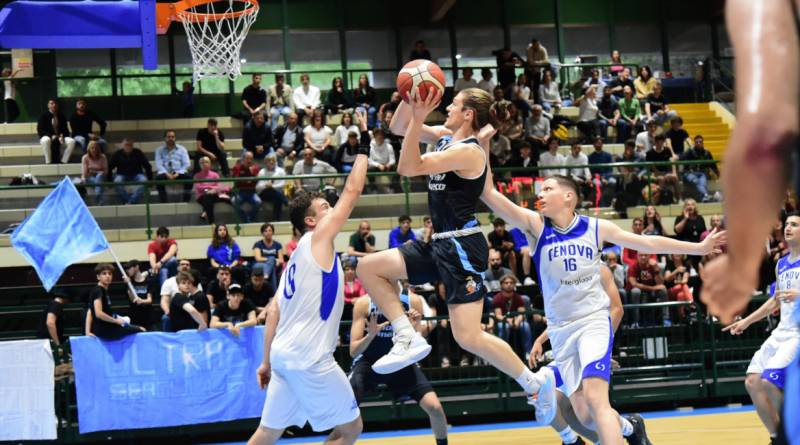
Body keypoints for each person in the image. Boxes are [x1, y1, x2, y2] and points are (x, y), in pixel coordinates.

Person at [479, 168, 724, 444]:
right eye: (540, 190)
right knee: (584, 415)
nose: (540, 194)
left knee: (597, 400)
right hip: (561, 332)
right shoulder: (536, 227)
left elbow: (647, 241)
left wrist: (699, 248)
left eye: (548, 189)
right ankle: (631, 427)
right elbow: (488, 193)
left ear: (568, 197)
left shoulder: (595, 228)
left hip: (593, 322)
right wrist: (481, 144)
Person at [356, 87, 556, 420]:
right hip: (439, 241)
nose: (447, 106)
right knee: (368, 267)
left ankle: (534, 383)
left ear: (468, 115)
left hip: (462, 246)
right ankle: (407, 335)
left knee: (469, 336)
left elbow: (407, 167)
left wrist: (420, 115)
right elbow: (399, 128)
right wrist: (410, 95)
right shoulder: (447, 136)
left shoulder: (470, 152)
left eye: (454, 104)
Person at [247, 124, 370, 445]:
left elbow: (272, 311)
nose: (331, 209)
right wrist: (364, 150)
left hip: (283, 357)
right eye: (324, 208)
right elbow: (353, 192)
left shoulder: (294, 261)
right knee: (352, 429)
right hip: (309, 358)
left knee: (268, 432)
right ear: (311, 222)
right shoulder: (318, 239)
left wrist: (266, 361)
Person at [723, 215, 800, 445]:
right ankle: (777, 438)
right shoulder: (781, 263)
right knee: (753, 381)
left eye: (794, 225)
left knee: (769, 381)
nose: (788, 227)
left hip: (797, 334)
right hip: (781, 332)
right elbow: (775, 300)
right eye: (786, 224)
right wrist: (745, 321)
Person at [348, 290, 449, 445]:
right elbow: (354, 351)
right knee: (345, 409)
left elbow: (416, 343)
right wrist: (370, 335)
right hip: (369, 363)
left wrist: (415, 327)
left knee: (435, 408)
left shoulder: (412, 301)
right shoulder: (364, 304)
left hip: (401, 362)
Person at [88, 263, 145, 339]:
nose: (107, 276)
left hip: (108, 326)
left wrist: (87, 331)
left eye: (110, 274)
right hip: (105, 330)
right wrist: (115, 321)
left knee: (128, 321)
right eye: (104, 274)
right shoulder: (98, 290)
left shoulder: (103, 290)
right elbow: (98, 314)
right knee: (141, 329)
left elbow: (90, 311)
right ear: (98, 277)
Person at [492, 274, 534, 357]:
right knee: (504, 327)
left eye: (511, 283)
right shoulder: (497, 298)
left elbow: (521, 314)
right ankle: (502, 353)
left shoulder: (518, 298)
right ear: (501, 285)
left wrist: (517, 321)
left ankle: (528, 353)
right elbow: (498, 316)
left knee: (525, 326)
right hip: (503, 321)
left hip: (516, 321)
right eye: (506, 283)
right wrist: (508, 321)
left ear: (514, 284)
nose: (509, 285)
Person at [628, 252, 669, 327]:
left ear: (649, 256)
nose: (643, 257)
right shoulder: (633, 266)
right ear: (637, 256)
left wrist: (656, 271)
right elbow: (634, 283)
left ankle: (665, 319)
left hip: (653, 290)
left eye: (645, 255)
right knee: (635, 291)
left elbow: (660, 283)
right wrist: (652, 288)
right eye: (641, 255)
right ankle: (635, 321)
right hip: (641, 290)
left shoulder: (655, 265)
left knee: (663, 290)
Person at [108, 139, 152, 204]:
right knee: (117, 182)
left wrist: (150, 179)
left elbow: (147, 165)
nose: (128, 146)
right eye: (126, 145)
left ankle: (130, 202)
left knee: (144, 181)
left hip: (137, 174)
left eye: (130, 145)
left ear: (132, 146)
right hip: (121, 174)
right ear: (122, 146)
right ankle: (129, 201)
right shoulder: (117, 154)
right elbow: (110, 167)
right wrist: (109, 180)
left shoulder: (138, 152)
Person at [159, 259, 200, 330]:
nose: (185, 266)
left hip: (191, 309)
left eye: (187, 265)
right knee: (166, 318)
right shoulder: (169, 281)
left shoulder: (195, 282)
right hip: (174, 311)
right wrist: (167, 311)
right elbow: (164, 300)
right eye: (182, 264)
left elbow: (198, 297)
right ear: (177, 267)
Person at [155, 130, 192, 203]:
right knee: (158, 179)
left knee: (189, 178)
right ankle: (164, 203)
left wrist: (178, 173)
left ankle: (185, 201)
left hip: (178, 172)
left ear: (175, 138)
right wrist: (166, 173)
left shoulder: (182, 149)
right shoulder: (159, 150)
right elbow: (159, 164)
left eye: (172, 137)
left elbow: (187, 164)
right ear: (165, 138)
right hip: (165, 173)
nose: (171, 138)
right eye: (168, 137)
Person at [681, 134, 720, 202]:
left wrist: (717, 173)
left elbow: (712, 165)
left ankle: (703, 198)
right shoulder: (690, 151)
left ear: (703, 143)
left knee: (702, 182)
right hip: (690, 173)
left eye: (700, 142)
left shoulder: (707, 152)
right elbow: (681, 158)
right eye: (697, 142)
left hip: (702, 174)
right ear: (694, 143)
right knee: (696, 181)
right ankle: (706, 195)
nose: (698, 143)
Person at [193, 156, 231, 224]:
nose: (204, 164)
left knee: (211, 198)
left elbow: (219, 186)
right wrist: (210, 189)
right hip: (202, 196)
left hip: (214, 194)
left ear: (210, 164)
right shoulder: (197, 176)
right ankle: (211, 221)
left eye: (206, 162)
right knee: (208, 197)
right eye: (202, 163)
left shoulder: (215, 175)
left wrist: (213, 190)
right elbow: (199, 188)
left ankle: (206, 213)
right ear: (199, 165)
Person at [37, 99, 75, 164]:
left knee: (72, 141)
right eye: (51, 103)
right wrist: (51, 136)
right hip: (47, 136)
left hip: (60, 136)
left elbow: (66, 130)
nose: (54, 105)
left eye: (55, 104)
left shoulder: (62, 116)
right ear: (48, 105)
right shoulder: (43, 116)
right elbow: (40, 129)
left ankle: (64, 161)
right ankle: (48, 161)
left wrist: (62, 136)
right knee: (45, 140)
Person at [123, 260, 157, 329]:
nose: (127, 271)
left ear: (136, 267)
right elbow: (132, 299)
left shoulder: (148, 281)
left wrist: (142, 301)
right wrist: (129, 285)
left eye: (129, 268)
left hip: (147, 316)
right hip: (134, 316)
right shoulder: (129, 282)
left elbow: (150, 300)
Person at [232, 151, 262, 223]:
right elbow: (235, 181)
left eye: (251, 159)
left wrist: (253, 174)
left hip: (252, 192)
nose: (249, 161)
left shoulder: (255, 168)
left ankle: (250, 218)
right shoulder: (237, 167)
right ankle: (245, 219)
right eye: (247, 158)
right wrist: (245, 180)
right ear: (243, 159)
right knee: (234, 201)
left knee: (258, 202)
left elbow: (258, 181)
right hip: (240, 192)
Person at [256, 155, 288, 221]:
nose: (271, 162)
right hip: (265, 193)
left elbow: (283, 184)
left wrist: (272, 186)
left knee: (277, 197)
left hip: (277, 193)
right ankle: (284, 201)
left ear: (275, 161)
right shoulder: (262, 172)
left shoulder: (281, 171)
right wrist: (266, 185)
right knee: (273, 192)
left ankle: (276, 218)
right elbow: (258, 187)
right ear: (265, 162)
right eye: (269, 161)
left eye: (273, 160)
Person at [253, 223, 284, 291]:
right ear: (262, 233)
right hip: (260, 265)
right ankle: (274, 292)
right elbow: (258, 258)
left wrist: (273, 261)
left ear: (272, 232)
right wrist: (272, 260)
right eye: (265, 231)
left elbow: (281, 260)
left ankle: (266, 275)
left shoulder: (278, 245)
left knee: (272, 266)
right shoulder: (258, 244)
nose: (268, 233)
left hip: (274, 266)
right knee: (272, 260)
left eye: (270, 230)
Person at [80, 140, 108, 206]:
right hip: (89, 178)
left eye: (95, 148)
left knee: (99, 176)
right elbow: (85, 173)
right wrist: (98, 171)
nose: (94, 150)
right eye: (92, 148)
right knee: (99, 181)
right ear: (89, 149)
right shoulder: (85, 158)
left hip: (101, 177)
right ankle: (99, 201)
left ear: (98, 149)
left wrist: (93, 171)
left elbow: (106, 171)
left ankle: (96, 199)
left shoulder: (103, 157)